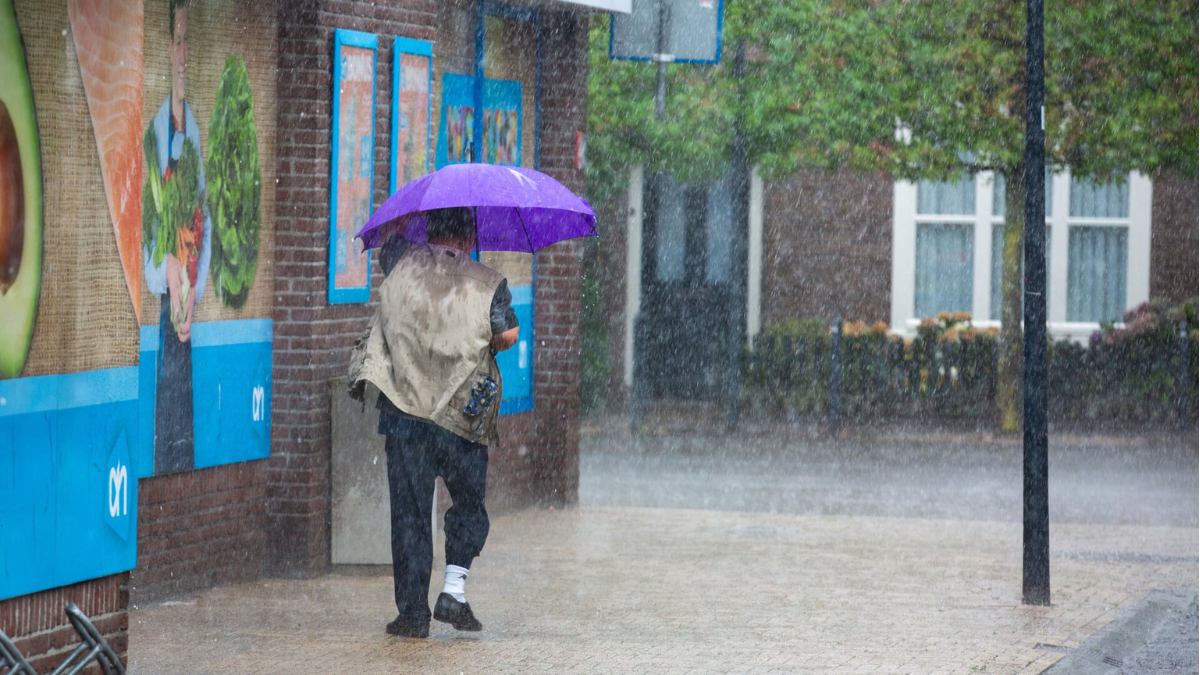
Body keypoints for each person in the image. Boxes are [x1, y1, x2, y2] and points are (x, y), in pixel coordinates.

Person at [348, 207, 519, 639]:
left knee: (409, 515)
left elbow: (390, 236)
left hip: (404, 414)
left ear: (432, 230)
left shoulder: (400, 262)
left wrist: (404, 223)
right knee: (468, 505)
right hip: (460, 418)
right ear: (467, 238)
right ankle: (453, 589)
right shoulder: (488, 282)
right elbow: (508, 336)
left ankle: (412, 616)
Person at [143, 0, 211, 474]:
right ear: (169, 48)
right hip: (163, 308)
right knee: (166, 408)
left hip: (185, 307)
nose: (184, 53)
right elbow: (146, 227)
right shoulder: (155, 133)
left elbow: (201, 215)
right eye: (180, 40)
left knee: (184, 404)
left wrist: (194, 290)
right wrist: (165, 273)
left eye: (190, 42)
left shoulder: (195, 133)